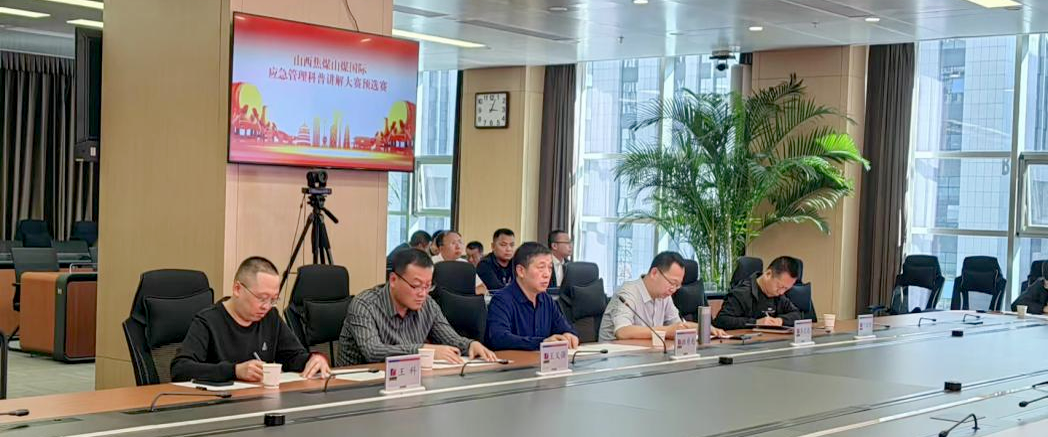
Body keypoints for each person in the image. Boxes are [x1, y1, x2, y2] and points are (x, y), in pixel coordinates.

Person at [171, 257, 330, 382]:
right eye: (262, 298)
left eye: (273, 299)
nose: (266, 306)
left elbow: (292, 357)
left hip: (260, 400)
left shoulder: (270, 317)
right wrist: (235, 371)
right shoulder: (208, 321)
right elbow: (180, 369)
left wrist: (314, 359)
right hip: (220, 403)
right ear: (237, 289)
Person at [338, 249, 499, 366]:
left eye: (428, 286)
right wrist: (424, 351)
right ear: (393, 280)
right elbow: (373, 351)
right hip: (356, 386)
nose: (422, 293)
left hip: (406, 381)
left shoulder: (427, 304)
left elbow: (450, 339)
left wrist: (470, 345)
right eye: (416, 286)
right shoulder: (364, 305)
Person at [599, 251, 728, 342]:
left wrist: (706, 329)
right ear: (654, 273)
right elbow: (622, 331)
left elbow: (678, 325)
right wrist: (666, 331)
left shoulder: (664, 296)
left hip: (645, 356)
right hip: (613, 360)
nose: (673, 289)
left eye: (677, 286)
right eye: (672, 283)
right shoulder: (627, 293)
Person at [485, 242, 578, 351]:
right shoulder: (502, 300)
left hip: (541, 360)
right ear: (521, 271)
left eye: (550, 268)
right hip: (514, 361)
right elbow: (499, 338)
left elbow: (564, 328)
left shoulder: (547, 300)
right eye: (541, 267)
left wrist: (569, 335)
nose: (547, 274)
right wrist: (542, 343)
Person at [713, 256, 804, 330]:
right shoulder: (741, 293)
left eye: (786, 289)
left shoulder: (779, 296)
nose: (781, 292)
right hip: (745, 344)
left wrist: (780, 321)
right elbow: (721, 320)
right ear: (768, 274)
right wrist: (755, 322)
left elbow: (797, 314)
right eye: (780, 286)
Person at [431, 230, 487, 295]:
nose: (458, 247)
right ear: (441, 248)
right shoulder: (431, 263)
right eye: (453, 243)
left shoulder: (465, 264)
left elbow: (482, 288)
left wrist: (462, 294)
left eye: (460, 242)